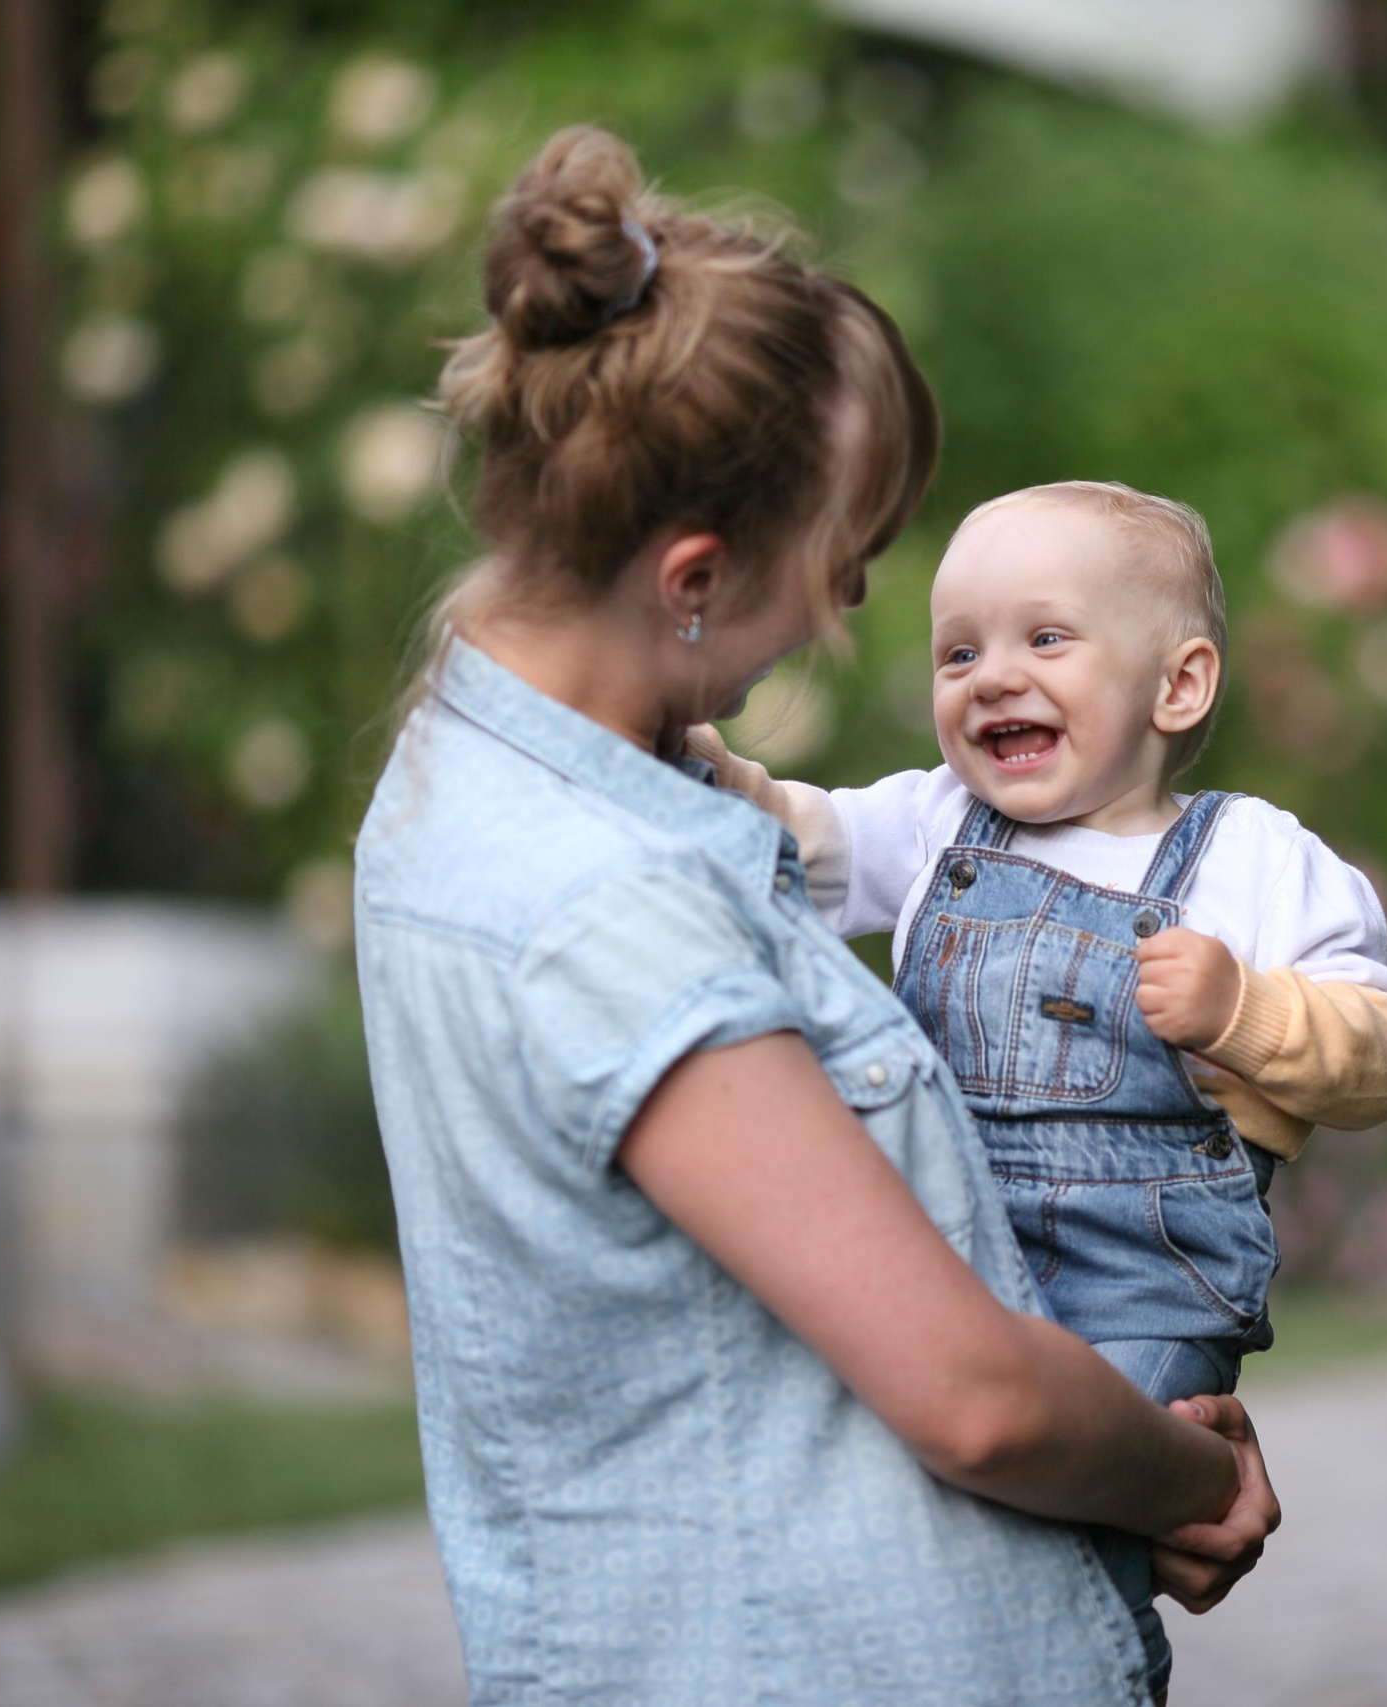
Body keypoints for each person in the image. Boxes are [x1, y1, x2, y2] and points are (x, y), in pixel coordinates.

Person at [354, 128, 1277, 1707]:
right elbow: (972, 1393)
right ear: (695, 576)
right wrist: (1182, 1477)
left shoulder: (490, 777)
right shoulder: (604, 900)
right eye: (843, 572)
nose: (844, 615)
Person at [697, 479, 1387, 1693]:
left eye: (1044, 638)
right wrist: (712, 776)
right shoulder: (940, 824)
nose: (989, 677)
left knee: (1065, 1550)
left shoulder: (1250, 860)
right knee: (918, 1520)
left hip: (1145, 1287)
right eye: (957, 650)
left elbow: (1379, 1050)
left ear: (1176, 685)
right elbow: (800, 845)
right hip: (955, 1258)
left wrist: (1246, 1012)